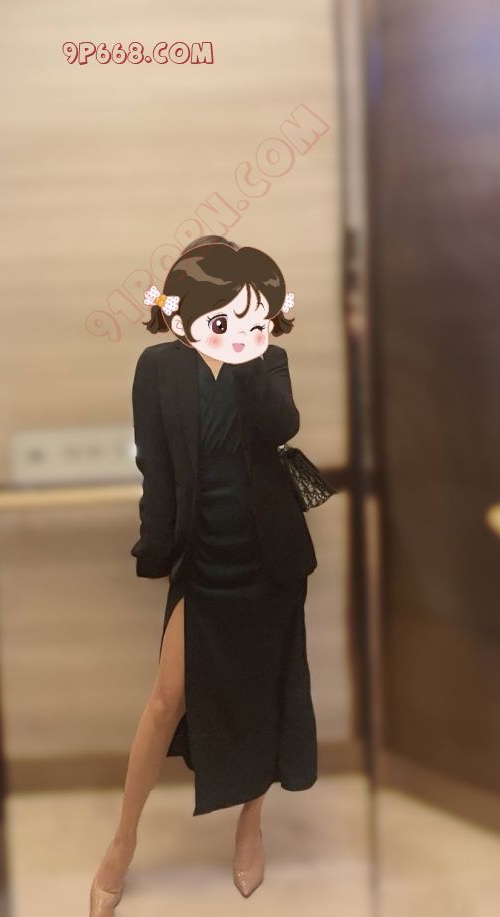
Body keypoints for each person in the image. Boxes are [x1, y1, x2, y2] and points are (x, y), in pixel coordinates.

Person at [90, 235, 318, 913]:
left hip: (270, 558)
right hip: (205, 559)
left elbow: (282, 425)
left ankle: (251, 825)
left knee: (264, 692)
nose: (237, 323)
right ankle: (122, 843)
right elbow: (155, 465)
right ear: (183, 308)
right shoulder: (158, 367)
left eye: (249, 310)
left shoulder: (267, 358)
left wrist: (245, 357)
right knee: (168, 699)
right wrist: (155, 547)